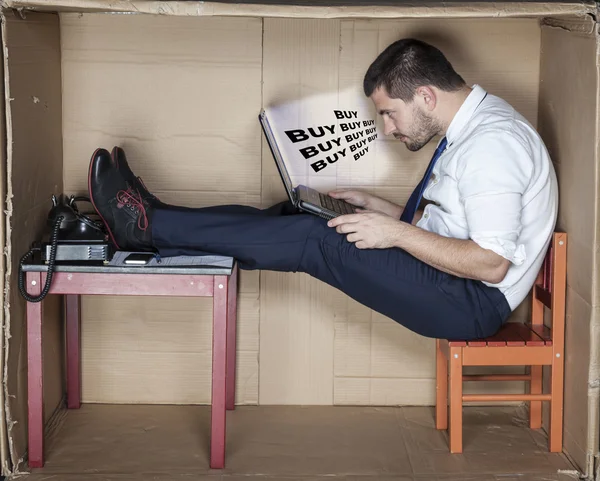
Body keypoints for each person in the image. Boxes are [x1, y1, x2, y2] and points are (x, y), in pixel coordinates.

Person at [88, 38, 558, 341]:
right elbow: (449, 227)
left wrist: (392, 234)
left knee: (316, 241)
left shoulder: (493, 145)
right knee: (297, 217)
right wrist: (384, 211)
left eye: (389, 113)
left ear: (426, 96)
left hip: (467, 304)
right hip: (447, 279)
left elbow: (491, 264)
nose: (389, 129)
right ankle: (155, 219)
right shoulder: (473, 130)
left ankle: (145, 226)